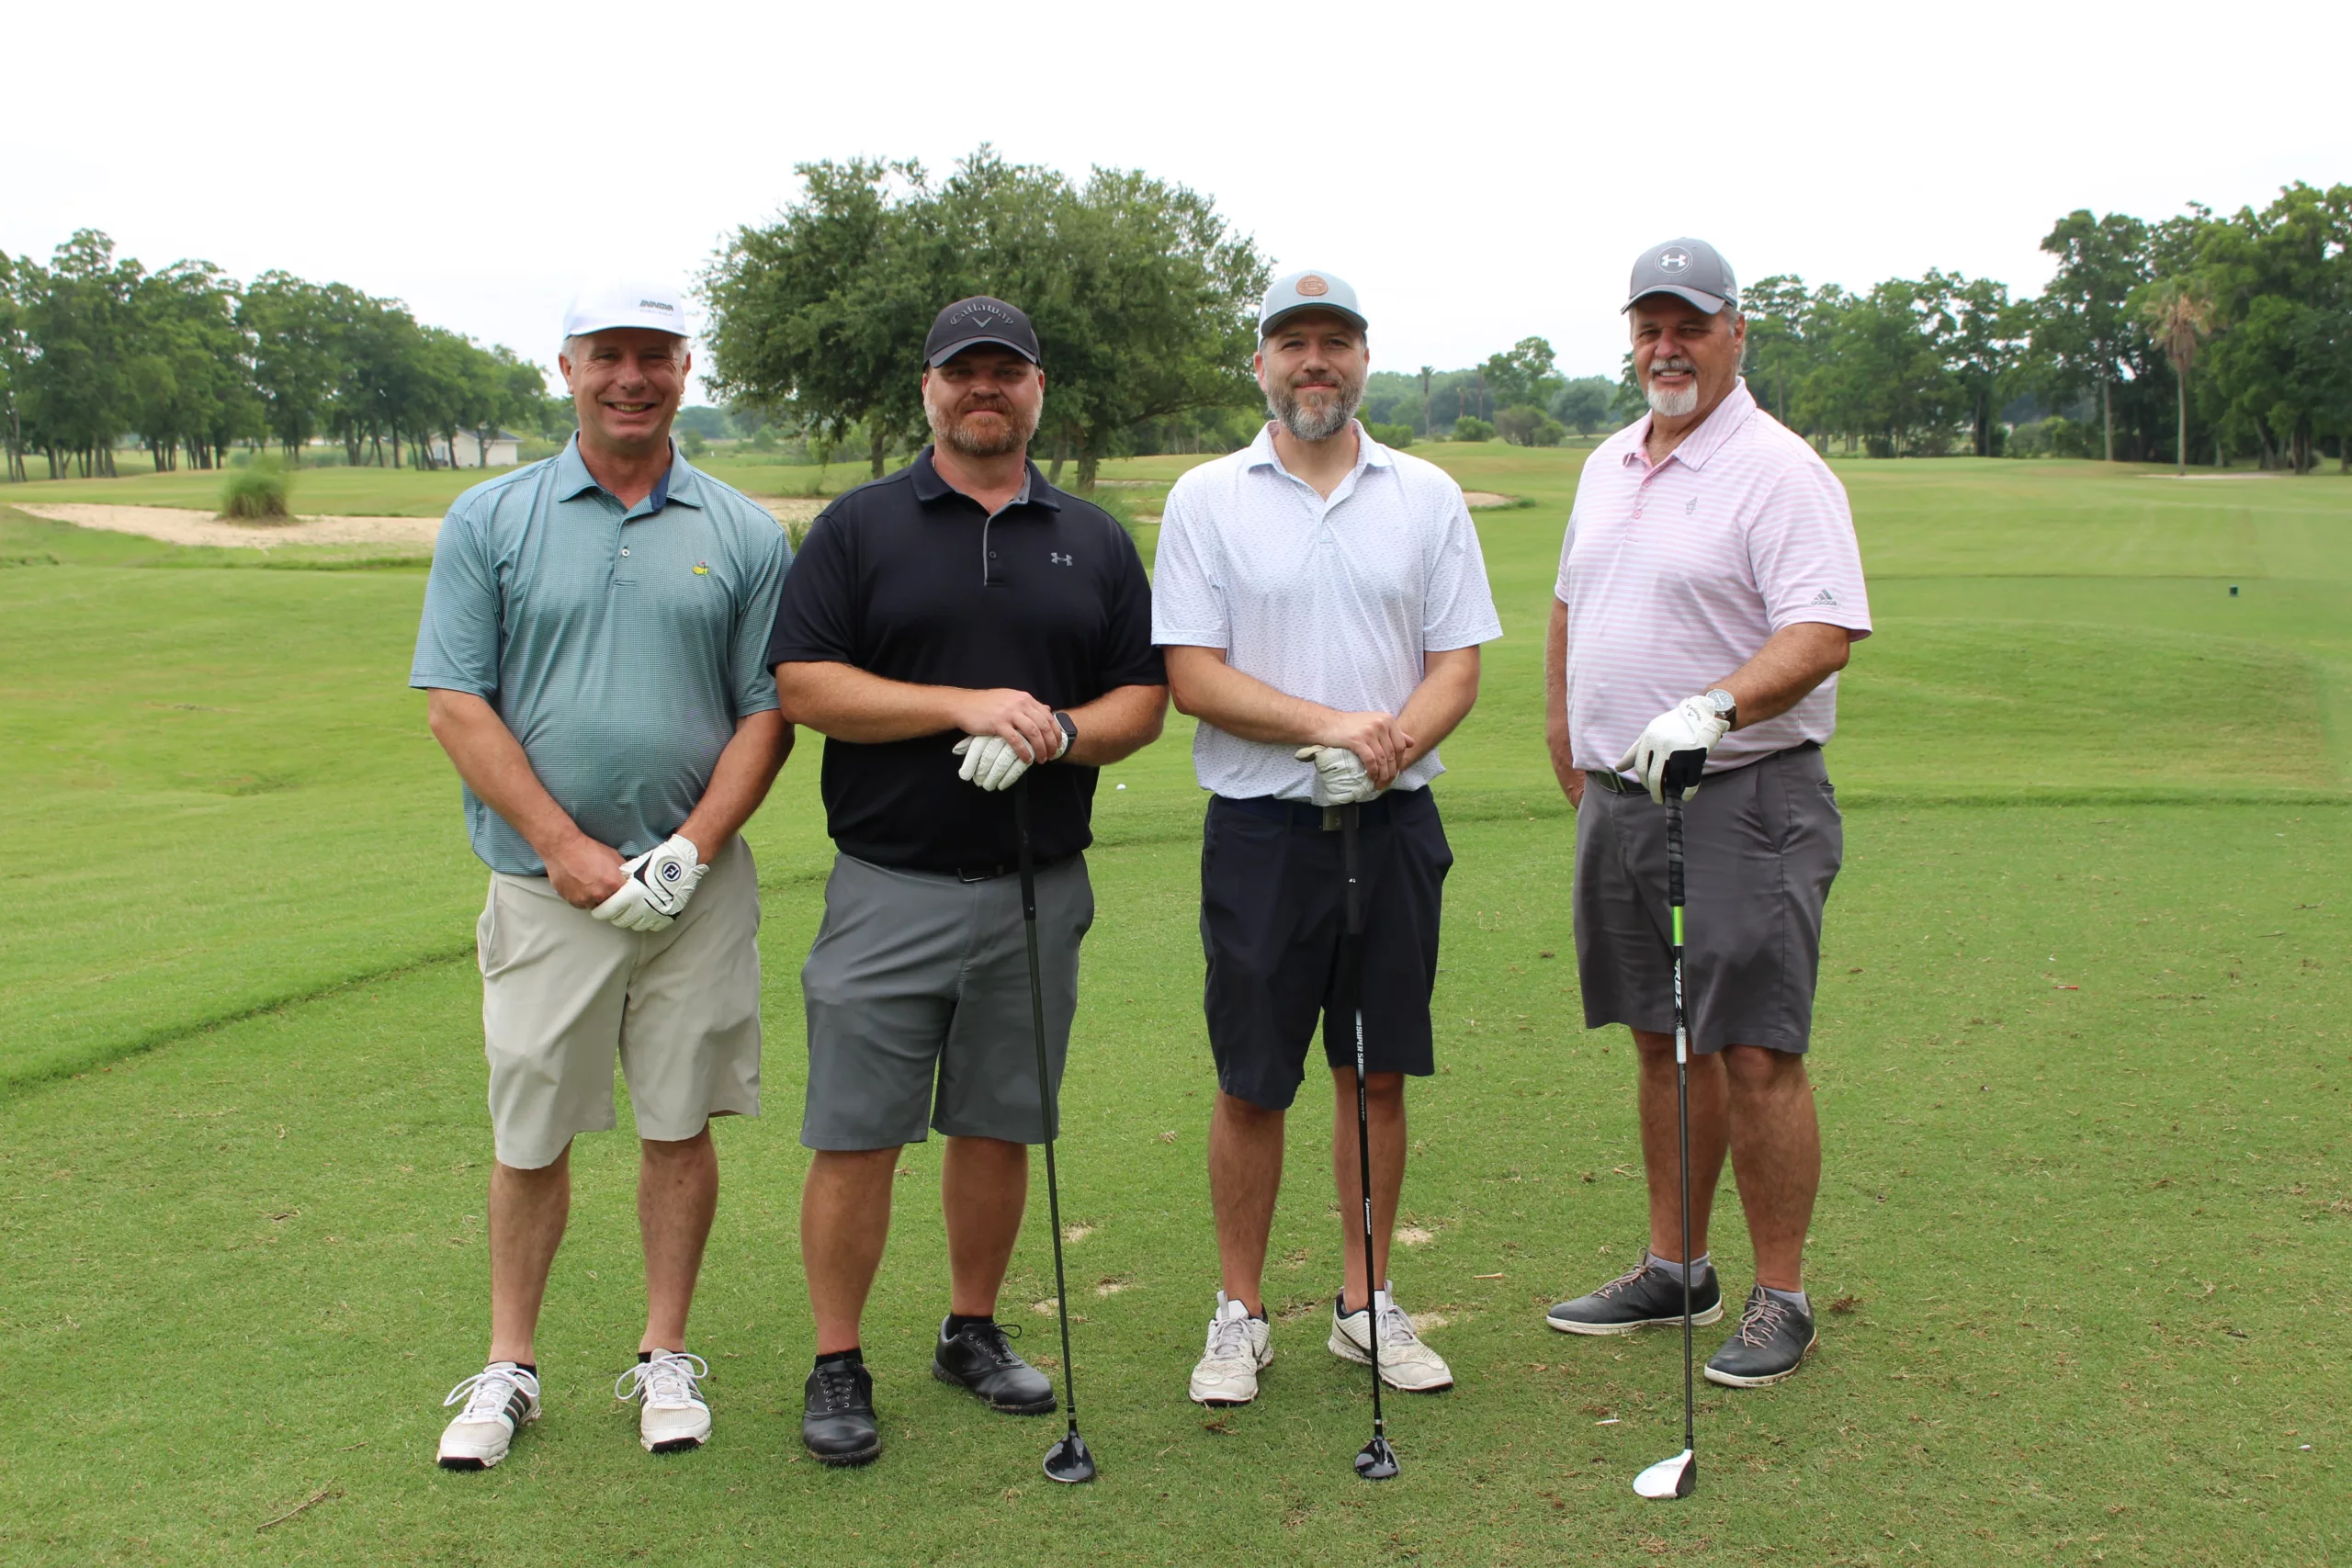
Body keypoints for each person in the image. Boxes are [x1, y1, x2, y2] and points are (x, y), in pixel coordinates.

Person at [767, 296, 1167, 1467]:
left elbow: (1140, 701)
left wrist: (1057, 732)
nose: (983, 389)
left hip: (1037, 884)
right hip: (887, 882)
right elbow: (804, 685)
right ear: (929, 390)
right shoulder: (860, 527)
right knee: (857, 1133)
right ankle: (837, 1359)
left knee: (998, 1122)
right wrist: (962, 706)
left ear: (1038, 389)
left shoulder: (1093, 538)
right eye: (962, 372)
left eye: (1006, 371)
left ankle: (971, 1330)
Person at [411, 280, 795, 1467]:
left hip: (694, 891)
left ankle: (664, 1351)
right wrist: (563, 846)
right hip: (543, 888)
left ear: (685, 369)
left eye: (655, 355)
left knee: (679, 1122)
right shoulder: (492, 516)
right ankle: (510, 1364)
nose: (632, 376)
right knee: (531, 1131)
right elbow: (456, 703)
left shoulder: (744, 530)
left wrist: (692, 848)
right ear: (568, 368)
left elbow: (768, 711)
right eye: (608, 354)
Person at [1153, 269, 1502, 1407]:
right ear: (1260, 362)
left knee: (1375, 1073)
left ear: (1362, 359)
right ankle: (1240, 1312)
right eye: (1293, 342)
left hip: (1391, 826)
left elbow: (1456, 665)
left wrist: (1389, 747)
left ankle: (1364, 1303)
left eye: (1335, 342)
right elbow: (1193, 674)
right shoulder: (1208, 497)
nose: (1316, 361)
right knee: (1253, 1083)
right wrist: (1333, 728)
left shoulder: (1425, 494)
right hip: (1263, 832)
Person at [1542, 238, 1871, 1387]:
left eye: (1689, 326)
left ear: (1736, 332)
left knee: (1756, 1050)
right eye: (1650, 328)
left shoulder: (1779, 471)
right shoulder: (1608, 460)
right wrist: (1565, 734)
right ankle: (1676, 1267)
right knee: (1661, 1039)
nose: (1666, 347)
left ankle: (1783, 1296)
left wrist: (1714, 707)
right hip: (1622, 798)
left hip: (1743, 795)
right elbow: (1572, 602)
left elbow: (1820, 631)